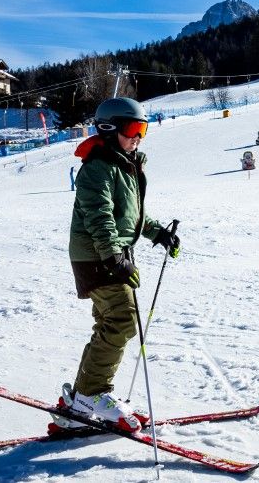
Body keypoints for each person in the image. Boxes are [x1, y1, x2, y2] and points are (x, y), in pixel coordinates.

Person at [63, 97, 180, 431]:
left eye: (143, 129)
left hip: (106, 254)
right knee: (123, 320)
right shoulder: (98, 167)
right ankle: (92, 393)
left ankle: (81, 399)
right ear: (109, 129)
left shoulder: (124, 165)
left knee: (109, 324)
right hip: (97, 255)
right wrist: (114, 255)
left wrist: (159, 233)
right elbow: (100, 217)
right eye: (132, 129)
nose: (138, 136)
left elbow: (130, 217)